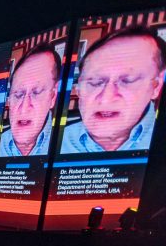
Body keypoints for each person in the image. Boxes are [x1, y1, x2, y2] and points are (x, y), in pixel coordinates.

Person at [61, 25, 166, 153]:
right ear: (78, 89)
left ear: (156, 86)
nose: (106, 98)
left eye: (128, 81)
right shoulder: (58, 141)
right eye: (95, 82)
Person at [0, 43, 61, 157]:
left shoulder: (68, 143)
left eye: (36, 92)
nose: (24, 108)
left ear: (53, 96)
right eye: (18, 94)